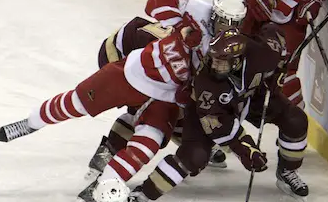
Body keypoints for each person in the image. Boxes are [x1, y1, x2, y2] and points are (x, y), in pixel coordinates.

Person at [122, 24, 309, 202]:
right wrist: (246, 149)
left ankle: (287, 171)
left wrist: (277, 71)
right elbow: (220, 127)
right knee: (194, 156)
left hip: (252, 97)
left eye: (222, 63)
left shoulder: (261, 54)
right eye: (215, 60)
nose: (216, 66)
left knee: (296, 120)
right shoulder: (207, 83)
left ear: (237, 60)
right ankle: (144, 193)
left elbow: (275, 34)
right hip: (207, 112)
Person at [83, 0, 248, 182]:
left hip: (151, 67)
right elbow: (155, 3)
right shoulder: (192, 17)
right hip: (123, 55)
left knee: (172, 108)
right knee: (152, 111)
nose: (226, 27)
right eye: (222, 21)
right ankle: (108, 151)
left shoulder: (214, 41)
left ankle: (192, 140)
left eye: (233, 23)